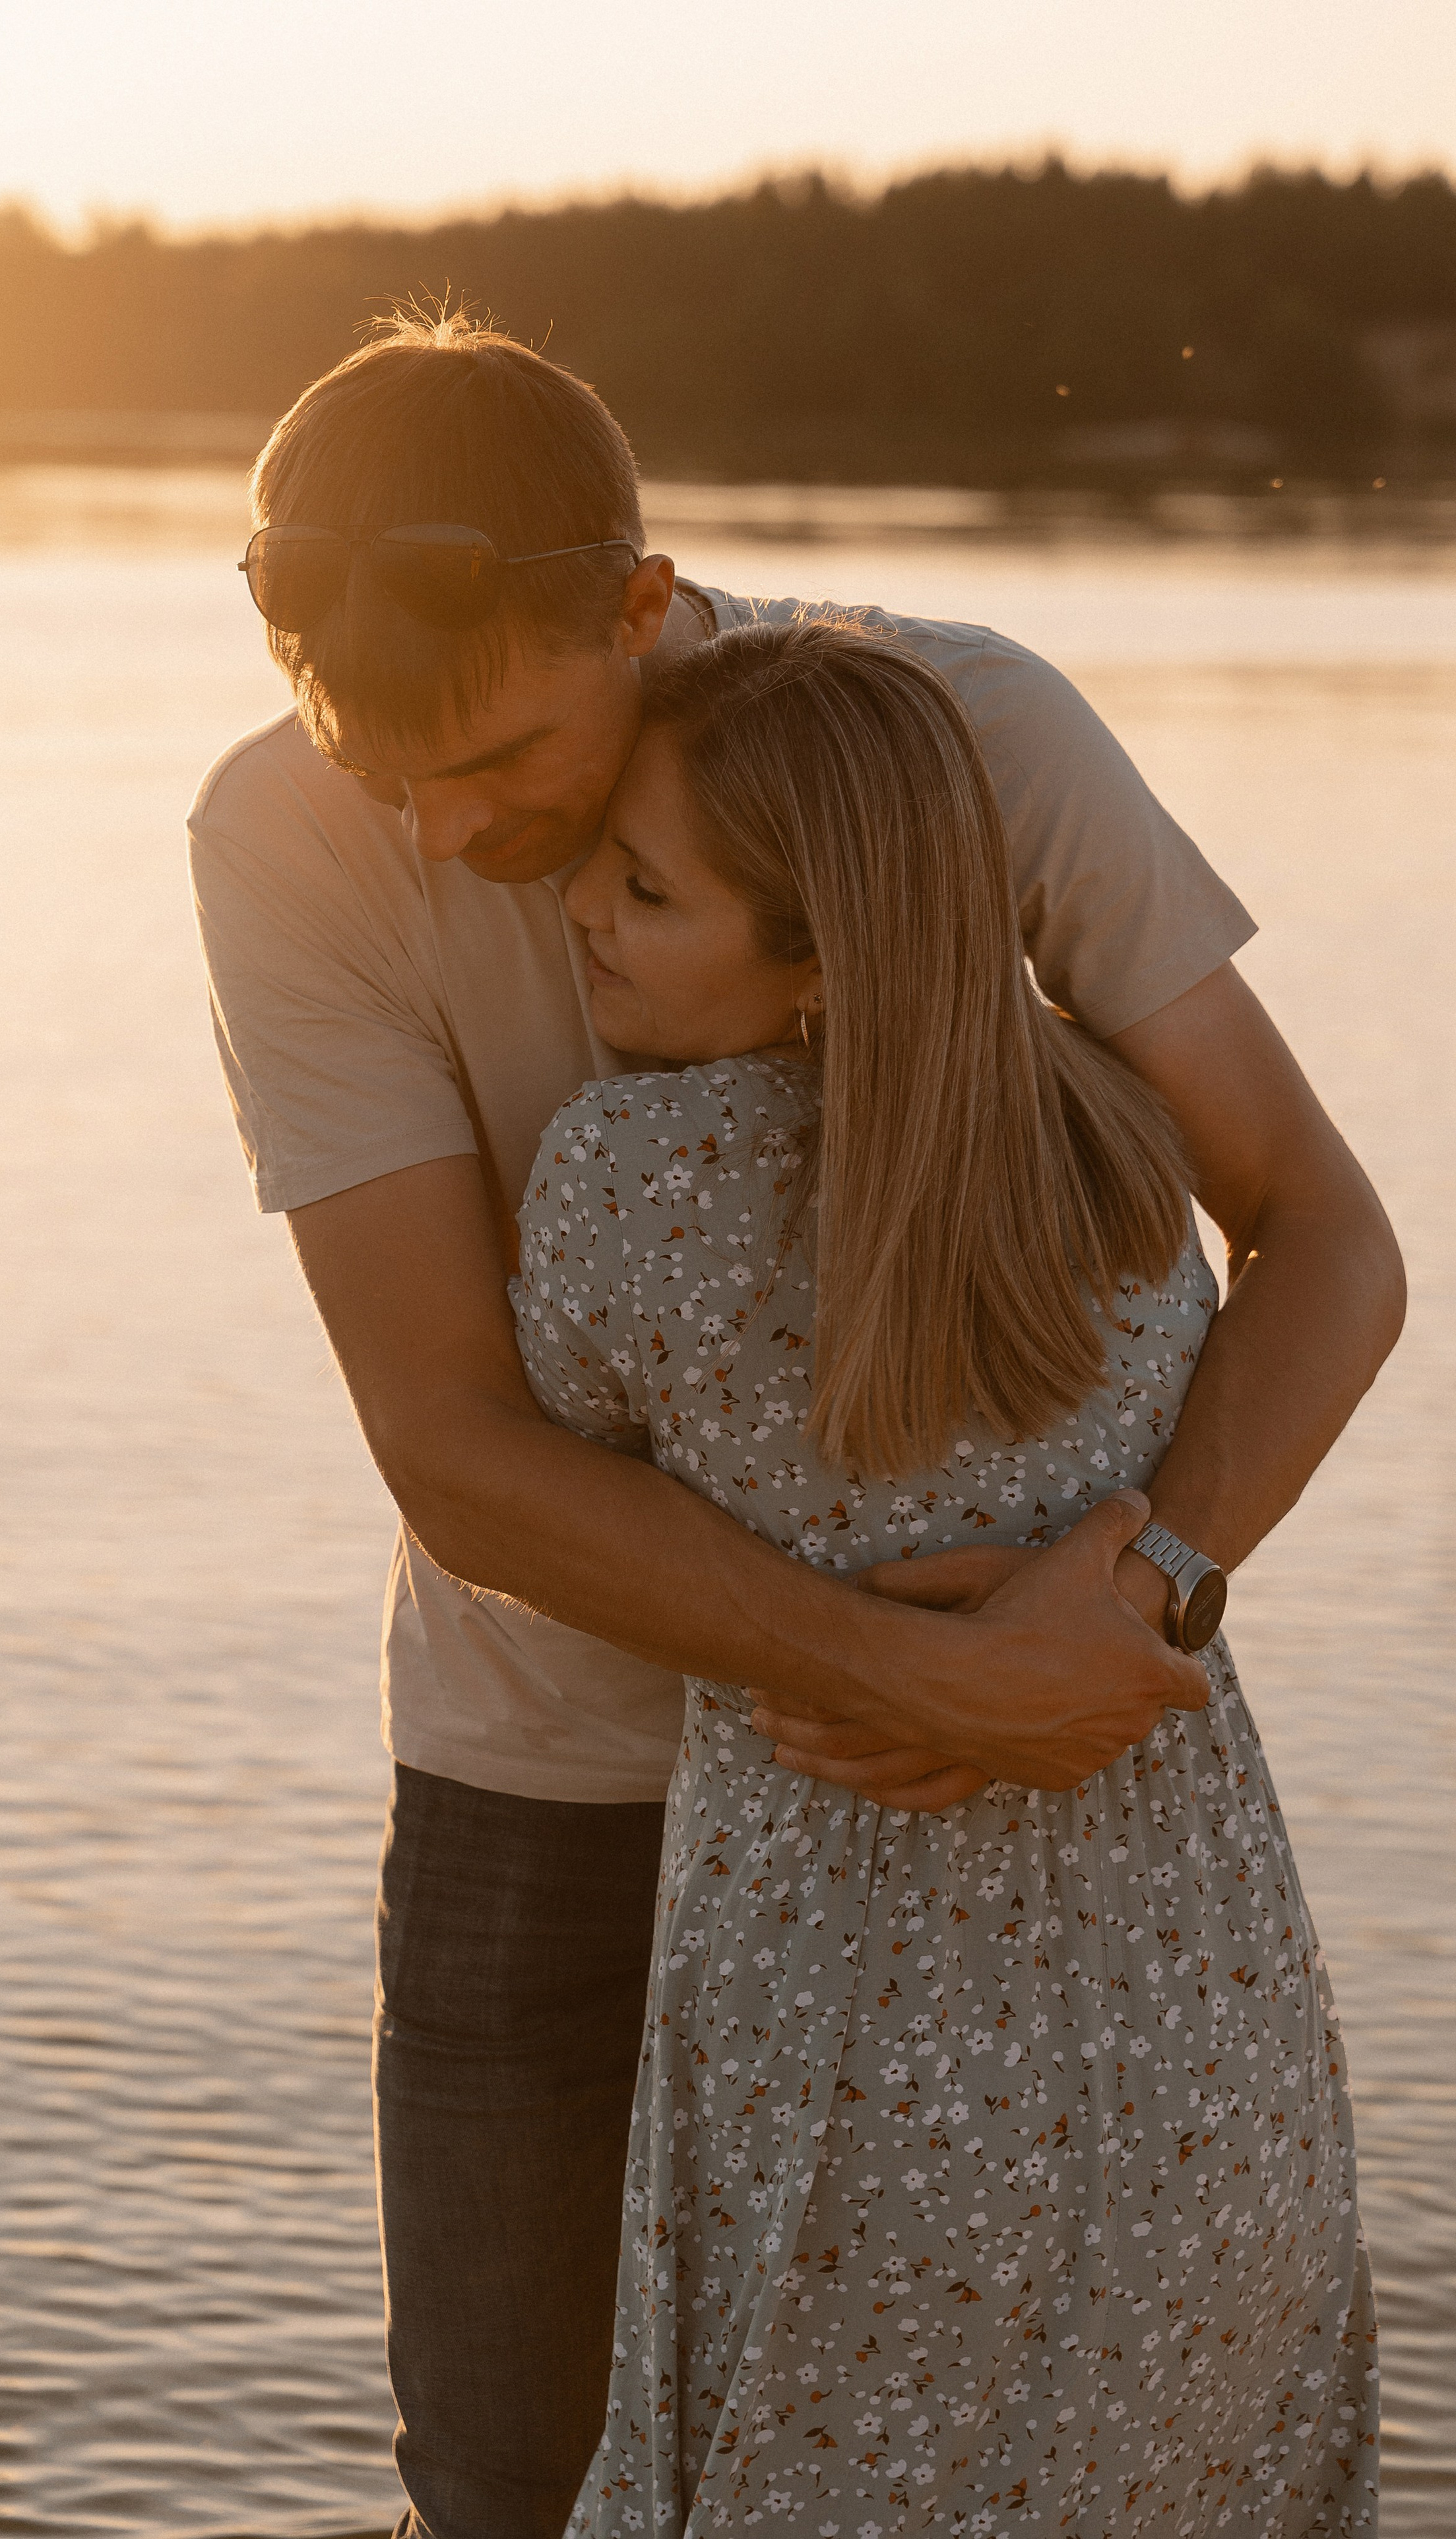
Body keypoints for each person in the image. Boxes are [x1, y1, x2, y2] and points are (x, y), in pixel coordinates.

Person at [186, 310, 1402, 2539]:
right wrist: (919, 1673)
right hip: (543, 1793)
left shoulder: (974, 733)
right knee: (510, 2480)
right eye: (387, 774)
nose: (454, 835)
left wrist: (1144, 1589)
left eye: (511, 756)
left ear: (643, 605)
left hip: (1023, 1824)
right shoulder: (280, 833)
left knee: (1072, 2460)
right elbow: (451, 1449)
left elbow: (1326, 1238)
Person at [510, 618, 1376, 2537]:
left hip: (854, 2016)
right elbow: (1308, 1267)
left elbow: (550, 1452)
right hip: (1195, 1992)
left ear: (817, 954)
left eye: (646, 891)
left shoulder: (624, 1186)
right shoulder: (1128, 1147)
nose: (578, 908)